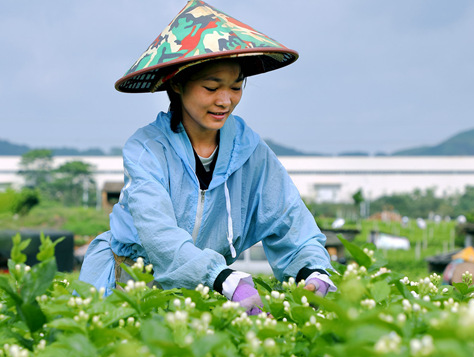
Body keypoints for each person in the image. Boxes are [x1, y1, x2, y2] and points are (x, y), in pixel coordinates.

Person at [79, 0, 335, 314]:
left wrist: (312, 271)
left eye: (236, 87)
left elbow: (289, 219)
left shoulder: (250, 151)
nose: (225, 100)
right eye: (211, 87)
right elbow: (158, 235)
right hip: (130, 286)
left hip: (204, 291)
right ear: (176, 83)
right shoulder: (147, 149)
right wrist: (223, 279)